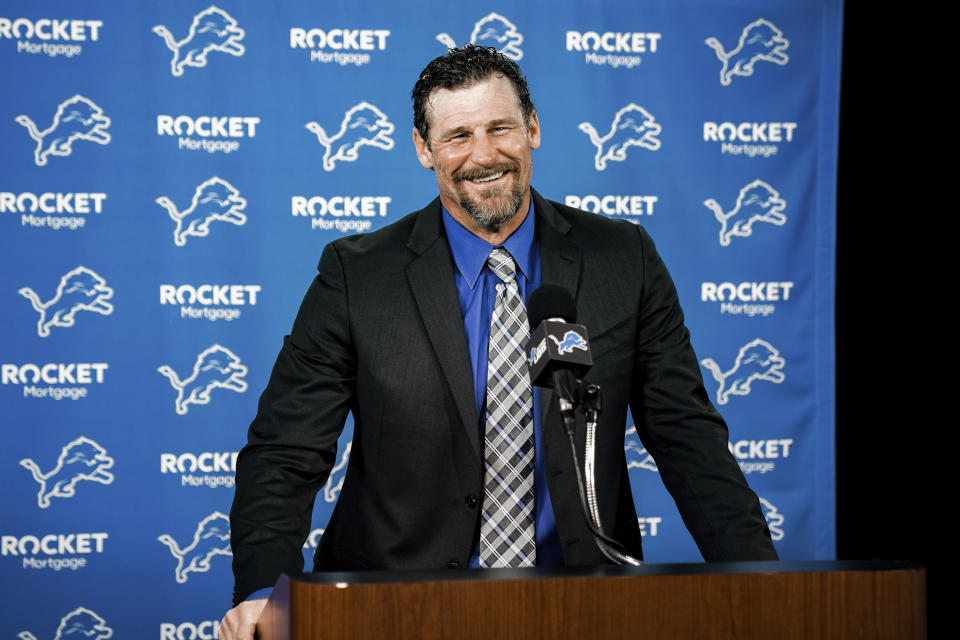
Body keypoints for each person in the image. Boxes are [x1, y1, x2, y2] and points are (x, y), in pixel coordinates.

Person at [219, 45, 777, 640]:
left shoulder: (624, 260)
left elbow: (687, 437)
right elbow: (285, 451)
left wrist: (766, 587)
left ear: (532, 129)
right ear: (423, 149)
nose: (484, 155)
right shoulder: (357, 277)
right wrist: (263, 592)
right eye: (458, 135)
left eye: (500, 128)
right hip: (393, 608)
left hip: (579, 608)